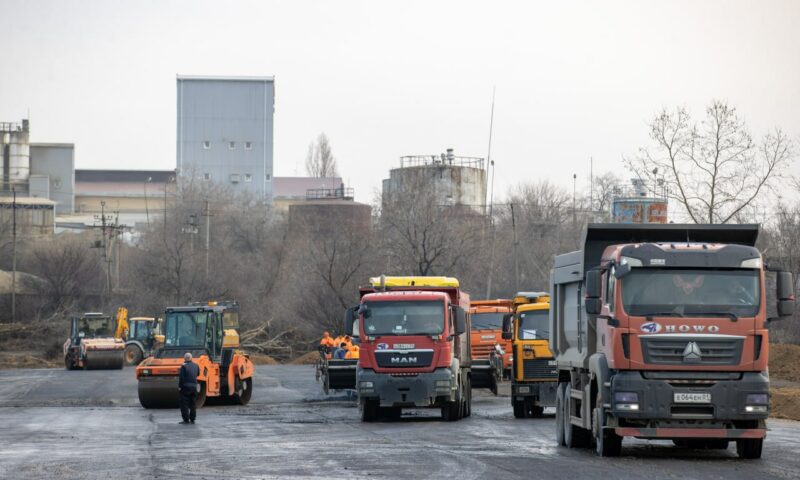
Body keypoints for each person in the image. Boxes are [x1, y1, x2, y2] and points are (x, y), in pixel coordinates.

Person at [178, 352, 200, 424]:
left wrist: (180, 387)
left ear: (184, 358)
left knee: (184, 404)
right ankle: (193, 418)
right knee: (193, 403)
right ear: (191, 358)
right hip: (194, 387)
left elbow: (181, 378)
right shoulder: (196, 365)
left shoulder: (183, 366)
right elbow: (198, 374)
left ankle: (186, 419)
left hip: (185, 388)